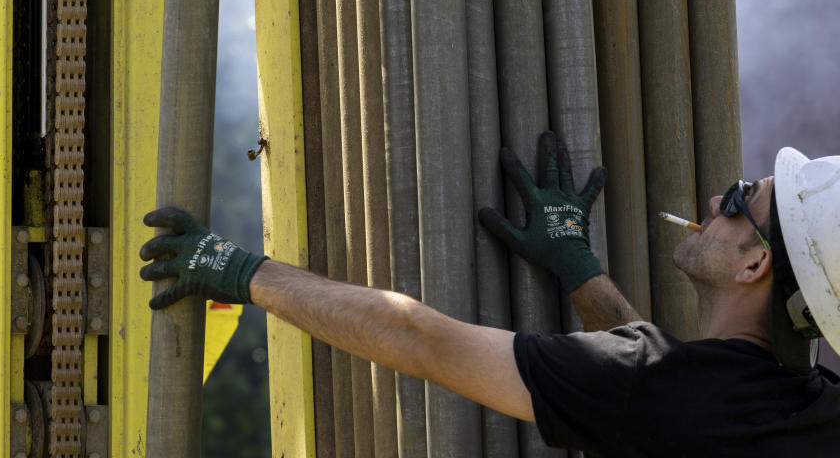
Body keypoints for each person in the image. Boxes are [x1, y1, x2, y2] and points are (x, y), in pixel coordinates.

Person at [139, 132, 840, 456]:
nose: (719, 196)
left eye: (742, 200)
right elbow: (663, 395)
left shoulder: (654, 391)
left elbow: (422, 339)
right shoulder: (816, 411)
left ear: (755, 267)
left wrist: (243, 272)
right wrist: (579, 267)